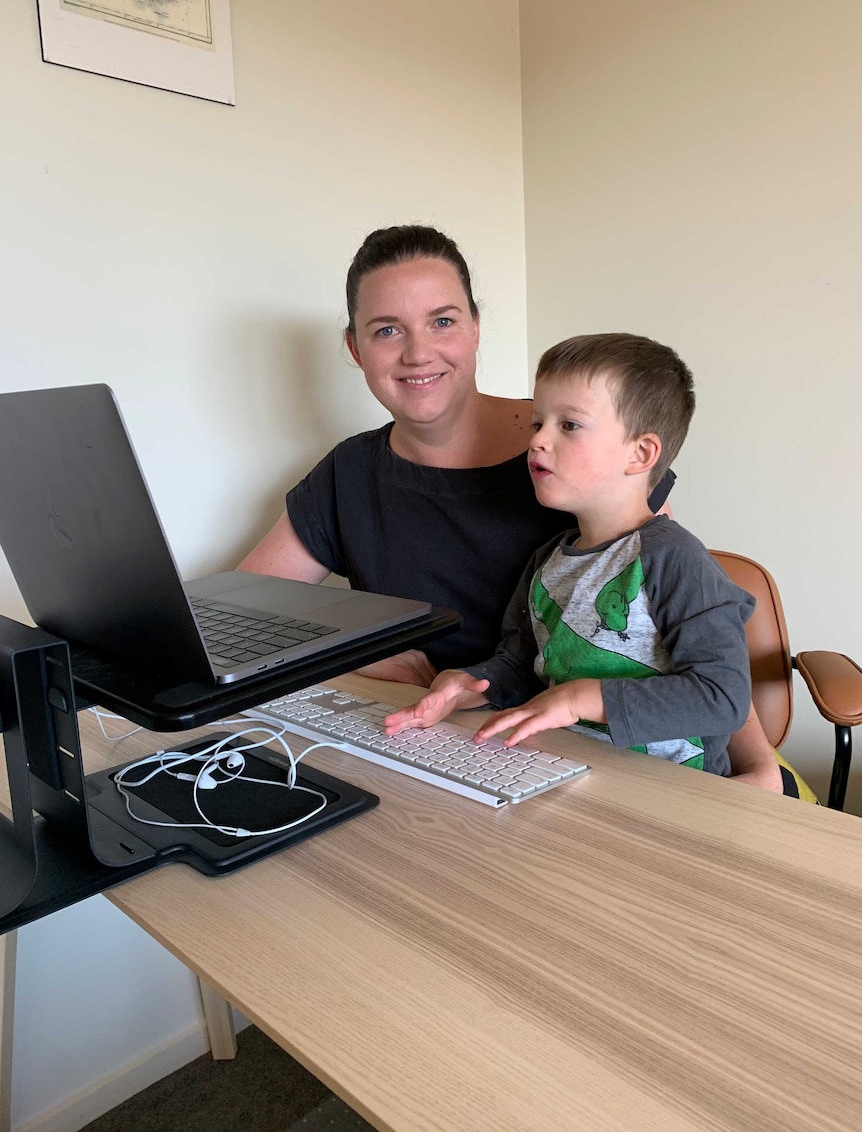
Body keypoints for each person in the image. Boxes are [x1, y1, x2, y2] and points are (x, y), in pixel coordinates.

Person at [239, 223, 782, 790]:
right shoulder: (350, 474)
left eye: (443, 321)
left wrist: (758, 767)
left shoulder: (581, 453)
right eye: (387, 330)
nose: (418, 351)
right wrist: (365, 656)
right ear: (355, 347)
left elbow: (683, 633)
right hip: (489, 746)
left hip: (638, 762)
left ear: (475, 328)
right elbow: (242, 616)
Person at [383, 333, 783, 789]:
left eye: (568, 425)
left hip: (678, 794)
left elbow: (722, 697)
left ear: (641, 454)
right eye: (537, 425)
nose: (537, 442)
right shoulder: (546, 563)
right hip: (573, 775)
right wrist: (467, 686)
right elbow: (519, 667)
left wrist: (582, 698)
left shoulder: (675, 559)